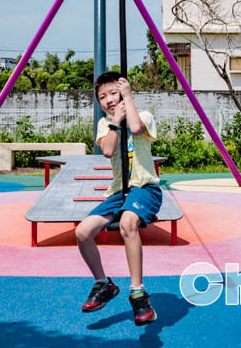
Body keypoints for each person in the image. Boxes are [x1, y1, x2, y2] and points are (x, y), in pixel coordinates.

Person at [75, 71, 160, 326]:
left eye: (114, 93)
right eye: (102, 97)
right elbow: (108, 150)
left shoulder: (143, 116)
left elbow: (135, 128)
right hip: (117, 191)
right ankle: (104, 284)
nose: (109, 100)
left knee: (128, 224)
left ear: (123, 92)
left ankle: (138, 293)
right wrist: (115, 121)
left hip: (144, 187)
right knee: (82, 232)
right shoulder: (105, 124)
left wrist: (128, 99)